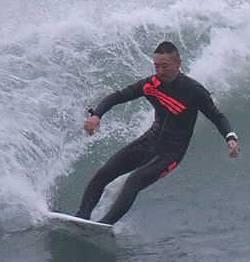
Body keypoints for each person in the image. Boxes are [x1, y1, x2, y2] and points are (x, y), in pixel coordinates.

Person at [75, 41, 240, 224]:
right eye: (156, 66)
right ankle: (81, 218)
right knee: (104, 173)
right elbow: (118, 96)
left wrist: (230, 138)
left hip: (171, 153)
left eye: (165, 66)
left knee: (134, 181)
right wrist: (97, 115)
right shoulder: (151, 84)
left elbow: (217, 117)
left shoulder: (195, 91)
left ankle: (103, 225)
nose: (160, 71)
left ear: (178, 63)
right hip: (149, 140)